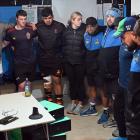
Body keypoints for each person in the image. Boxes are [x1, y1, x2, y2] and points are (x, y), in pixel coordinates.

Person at [114, 16, 140, 140]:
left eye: (123, 37)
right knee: (119, 111)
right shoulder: (130, 46)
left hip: (132, 89)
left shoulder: (136, 49)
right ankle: (122, 136)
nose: (121, 40)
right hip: (122, 84)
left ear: (132, 33)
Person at [35, 7, 65, 105]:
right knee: (47, 81)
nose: (48, 20)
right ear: (42, 18)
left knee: (57, 80)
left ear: (53, 16)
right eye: (45, 18)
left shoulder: (60, 26)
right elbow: (26, 34)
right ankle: (49, 100)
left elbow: (67, 39)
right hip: (43, 59)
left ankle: (59, 100)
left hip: (56, 59)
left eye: (50, 17)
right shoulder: (37, 26)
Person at [1, 10, 36, 91]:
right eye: (21, 19)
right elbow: (5, 44)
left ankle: (28, 102)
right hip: (19, 63)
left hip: (31, 62)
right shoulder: (10, 32)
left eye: (25, 19)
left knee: (29, 85)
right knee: (21, 86)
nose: (23, 21)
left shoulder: (30, 28)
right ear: (17, 19)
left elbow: (40, 36)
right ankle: (21, 102)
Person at [97, 7, 122, 124]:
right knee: (105, 93)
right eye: (108, 16)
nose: (109, 19)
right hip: (104, 71)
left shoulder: (120, 32)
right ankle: (107, 113)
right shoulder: (106, 30)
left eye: (112, 16)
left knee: (116, 96)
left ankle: (118, 120)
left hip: (115, 72)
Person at [62, 11, 86, 115]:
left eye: (81, 19)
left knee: (80, 83)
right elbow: (63, 46)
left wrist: (82, 55)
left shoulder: (84, 31)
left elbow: (86, 47)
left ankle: (80, 103)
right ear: (72, 20)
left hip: (80, 62)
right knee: (72, 83)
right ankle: (73, 102)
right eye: (78, 19)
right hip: (68, 62)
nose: (80, 21)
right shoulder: (66, 31)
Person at [80, 17, 104, 116]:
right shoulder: (85, 35)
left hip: (99, 67)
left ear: (96, 26)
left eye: (92, 27)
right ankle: (92, 107)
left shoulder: (102, 34)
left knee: (102, 89)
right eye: (88, 26)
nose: (89, 29)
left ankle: (106, 111)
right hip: (89, 66)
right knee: (91, 87)